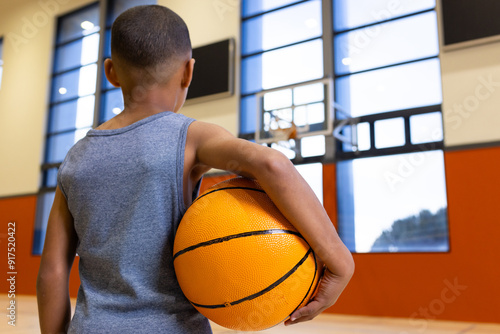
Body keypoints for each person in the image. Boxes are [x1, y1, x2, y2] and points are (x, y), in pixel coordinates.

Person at [36, 5, 354, 333]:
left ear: (111, 71)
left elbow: (53, 272)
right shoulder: (190, 136)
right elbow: (271, 163)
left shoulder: (76, 158)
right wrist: (339, 261)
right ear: (188, 72)